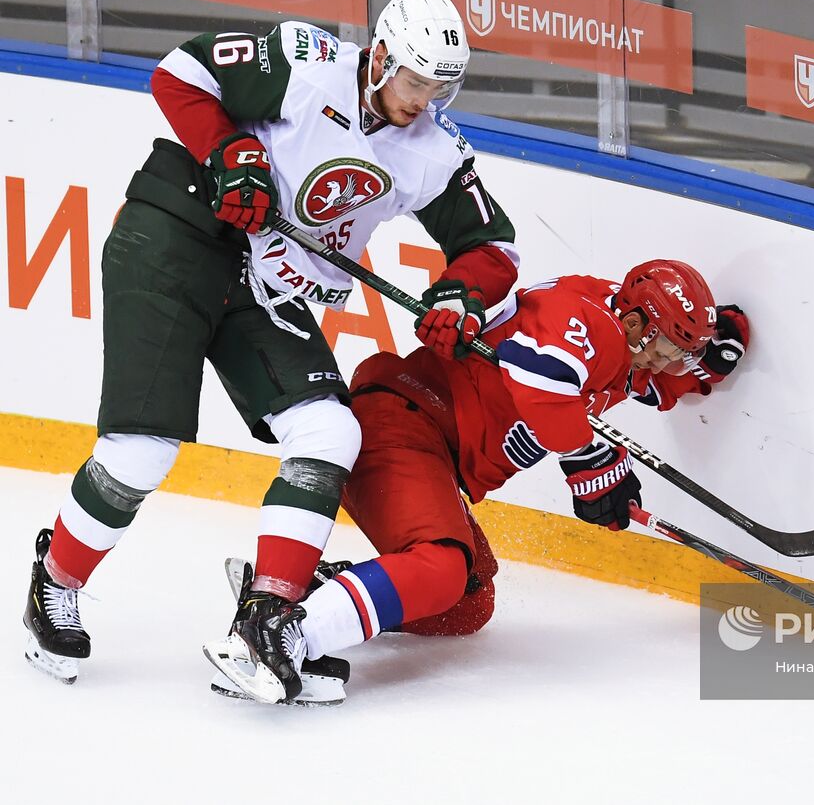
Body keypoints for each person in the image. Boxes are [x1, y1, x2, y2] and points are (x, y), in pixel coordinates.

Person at [22, 0, 521, 689]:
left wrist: (461, 292)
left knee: (329, 432)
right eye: (414, 80)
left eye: (440, 87)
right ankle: (55, 579)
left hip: (263, 285)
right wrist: (232, 153)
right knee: (140, 452)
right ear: (379, 57)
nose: (424, 98)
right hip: (176, 237)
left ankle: (268, 621)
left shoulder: (429, 151)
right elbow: (181, 72)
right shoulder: (306, 63)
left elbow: (492, 244)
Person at [205, 259, 750, 704]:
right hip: (401, 424)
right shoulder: (589, 326)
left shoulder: (626, 341)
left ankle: (318, 592)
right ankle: (280, 633)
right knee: (442, 567)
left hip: (428, 449)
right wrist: (590, 462)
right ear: (635, 325)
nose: (668, 363)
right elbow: (543, 387)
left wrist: (708, 358)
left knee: (468, 602)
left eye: (680, 354)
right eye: (668, 349)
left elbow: (639, 383)